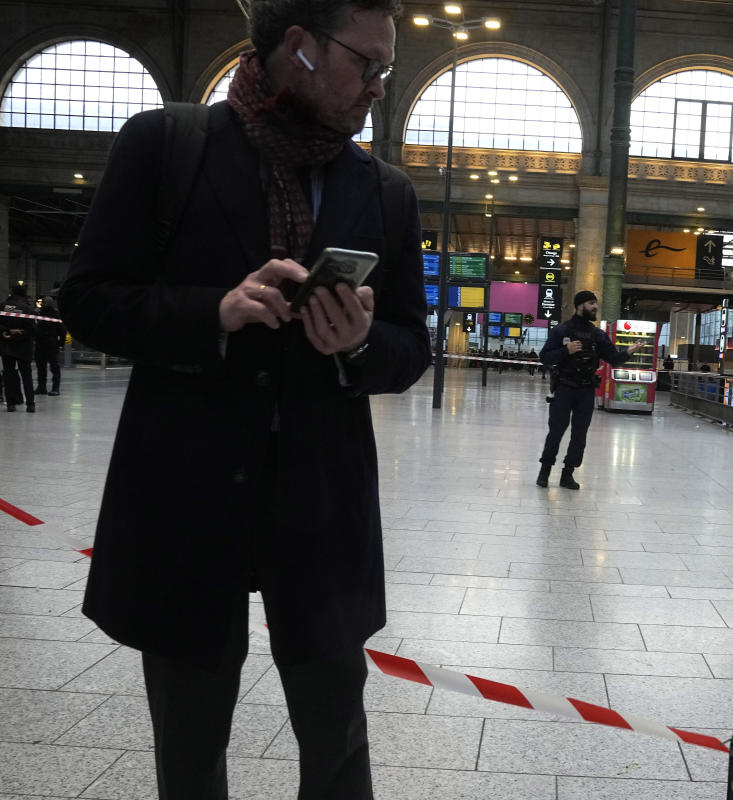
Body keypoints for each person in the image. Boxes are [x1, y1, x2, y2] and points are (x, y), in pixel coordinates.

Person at [58, 0, 431, 796]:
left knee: (335, 740)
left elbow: (410, 348)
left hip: (321, 505)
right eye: (364, 63)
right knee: (189, 745)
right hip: (187, 495)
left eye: (386, 70)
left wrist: (358, 342)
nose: (377, 87)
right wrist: (214, 313)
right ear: (298, 46)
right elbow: (87, 299)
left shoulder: (383, 190)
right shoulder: (169, 146)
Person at [536, 290, 642, 489]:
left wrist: (629, 351)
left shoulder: (598, 335)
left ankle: (568, 473)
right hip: (564, 388)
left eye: (596, 303)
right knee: (556, 431)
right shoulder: (562, 331)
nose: (595, 307)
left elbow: (613, 358)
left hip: (586, 390)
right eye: (591, 303)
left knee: (580, 434)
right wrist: (565, 351)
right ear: (580, 305)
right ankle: (545, 471)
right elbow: (545, 357)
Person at [1, 284, 37, 412]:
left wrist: (8, 332)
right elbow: (32, 328)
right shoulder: (27, 308)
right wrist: (19, 334)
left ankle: (11, 404)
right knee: (26, 376)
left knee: (8, 375)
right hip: (24, 347)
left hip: (7, 345)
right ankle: (30, 404)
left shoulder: (3, 305)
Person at [34, 295, 65, 396]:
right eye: (44, 302)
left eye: (46, 302)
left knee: (54, 366)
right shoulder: (38, 313)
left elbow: (62, 330)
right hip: (40, 344)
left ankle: (55, 388)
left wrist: (61, 344)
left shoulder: (56, 315)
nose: (44, 304)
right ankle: (41, 387)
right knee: (40, 366)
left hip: (51, 344)